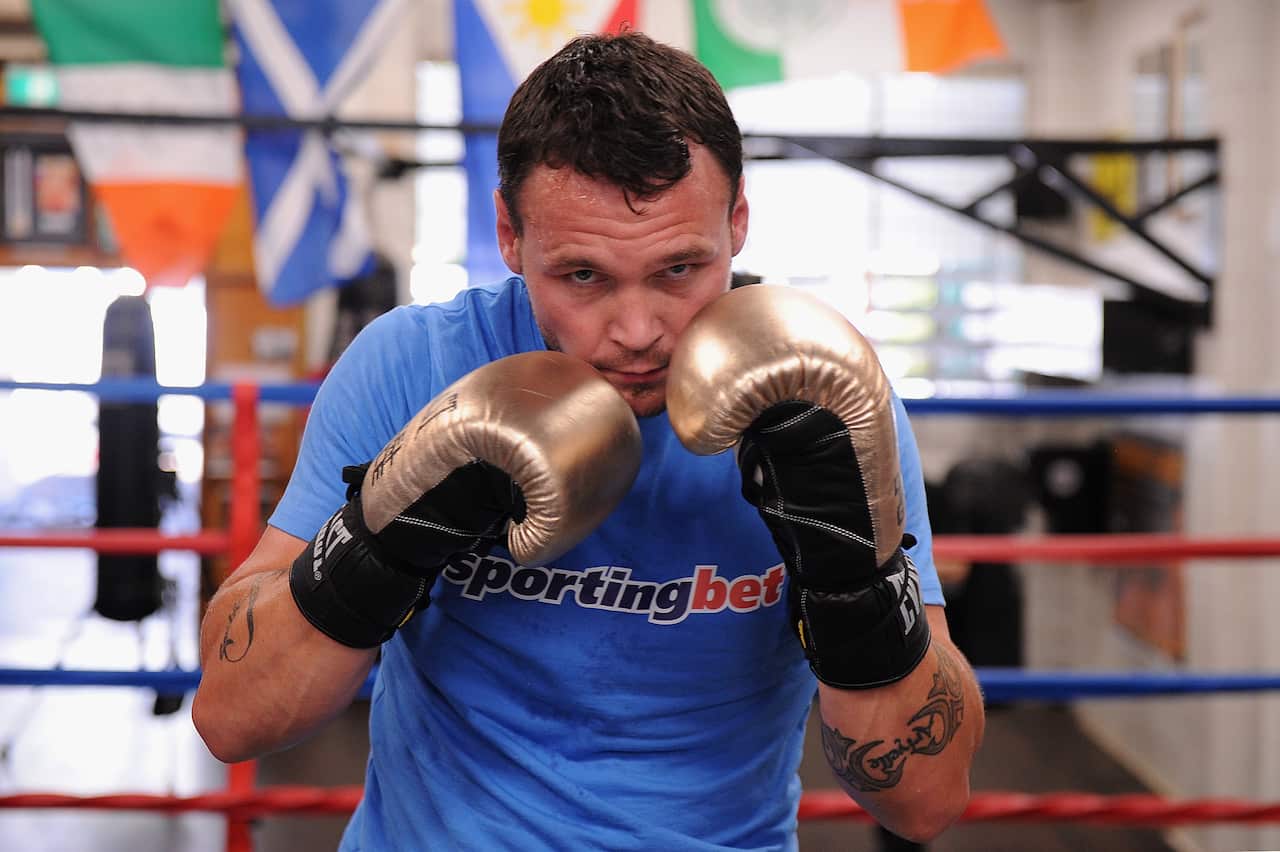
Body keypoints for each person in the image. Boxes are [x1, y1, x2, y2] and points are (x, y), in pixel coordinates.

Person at [193, 31, 984, 851]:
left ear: (738, 217)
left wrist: (854, 580)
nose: (638, 332)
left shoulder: (822, 396)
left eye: (679, 269)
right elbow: (232, 717)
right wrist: (379, 543)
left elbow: (924, 802)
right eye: (583, 277)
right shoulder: (415, 366)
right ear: (509, 233)